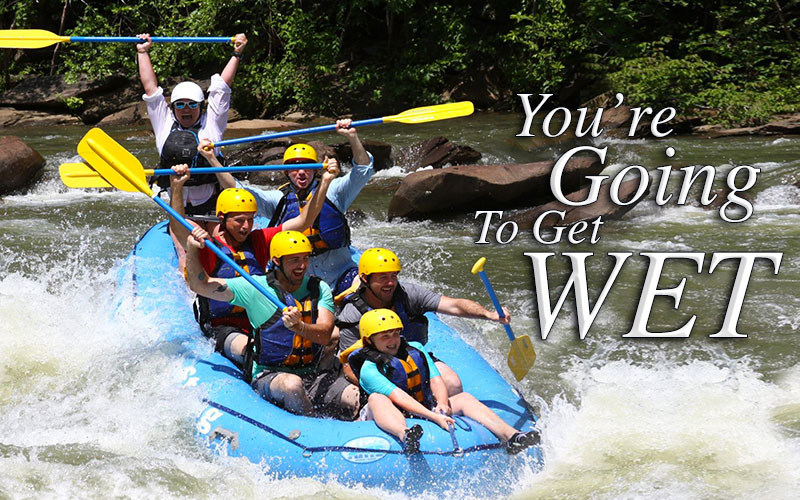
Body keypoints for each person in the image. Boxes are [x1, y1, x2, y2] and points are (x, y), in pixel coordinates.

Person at [170, 140, 340, 368]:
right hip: (224, 325)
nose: (246, 227)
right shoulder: (210, 246)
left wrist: (325, 182)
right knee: (251, 348)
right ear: (222, 219)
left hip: (261, 316)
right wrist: (177, 187)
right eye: (239, 221)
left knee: (333, 335)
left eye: (250, 220)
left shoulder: (259, 239)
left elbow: (304, 220)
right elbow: (179, 228)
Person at [185, 230, 359, 419]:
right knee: (292, 385)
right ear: (277, 261)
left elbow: (325, 334)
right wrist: (193, 248)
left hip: (313, 374)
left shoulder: (319, 288)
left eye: (305, 258)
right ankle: (313, 427)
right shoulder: (255, 288)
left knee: (353, 395)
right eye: (294, 260)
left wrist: (299, 327)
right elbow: (200, 285)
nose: (302, 266)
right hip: (271, 375)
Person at [348, 309, 540, 454]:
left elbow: (435, 378)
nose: (393, 341)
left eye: (395, 334)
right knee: (376, 398)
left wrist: (441, 404)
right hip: (387, 411)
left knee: (463, 398)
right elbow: (398, 397)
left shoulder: (414, 348)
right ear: (369, 341)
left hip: (422, 405)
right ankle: (404, 435)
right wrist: (434, 417)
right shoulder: (369, 369)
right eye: (385, 337)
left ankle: (512, 436)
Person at [337, 248, 512, 395]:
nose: (390, 283)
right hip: (377, 368)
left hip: (412, 357)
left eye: (394, 276)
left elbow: (453, 305)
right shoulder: (352, 314)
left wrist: (489, 315)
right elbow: (348, 365)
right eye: (383, 277)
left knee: (453, 384)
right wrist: (383, 387)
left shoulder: (408, 294)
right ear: (365, 279)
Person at [245, 120, 373, 293]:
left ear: (317, 169)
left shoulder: (333, 190)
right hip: (298, 278)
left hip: (339, 273)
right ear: (286, 172)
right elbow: (241, 193)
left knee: (367, 291)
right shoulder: (278, 199)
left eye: (307, 166)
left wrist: (352, 137)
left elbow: (363, 170)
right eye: (294, 168)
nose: (301, 172)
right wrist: (213, 161)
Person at [136, 32, 247, 217]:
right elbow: (151, 89)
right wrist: (142, 52)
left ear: (200, 106)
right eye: (180, 104)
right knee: (184, 245)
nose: (186, 109)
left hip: (212, 203)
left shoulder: (212, 123)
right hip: (176, 204)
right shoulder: (164, 122)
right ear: (173, 108)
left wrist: (237, 54)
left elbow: (222, 87)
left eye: (191, 104)